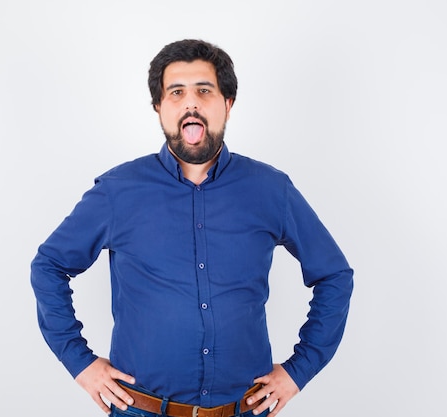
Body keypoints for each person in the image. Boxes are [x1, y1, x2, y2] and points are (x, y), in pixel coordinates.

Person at [31, 39, 353, 417]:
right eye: (176, 92)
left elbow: (334, 275)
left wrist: (299, 371)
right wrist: (81, 364)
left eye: (204, 90)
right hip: (142, 409)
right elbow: (49, 265)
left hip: (244, 409)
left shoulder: (271, 190)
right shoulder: (118, 191)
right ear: (159, 108)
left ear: (227, 104)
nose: (191, 103)